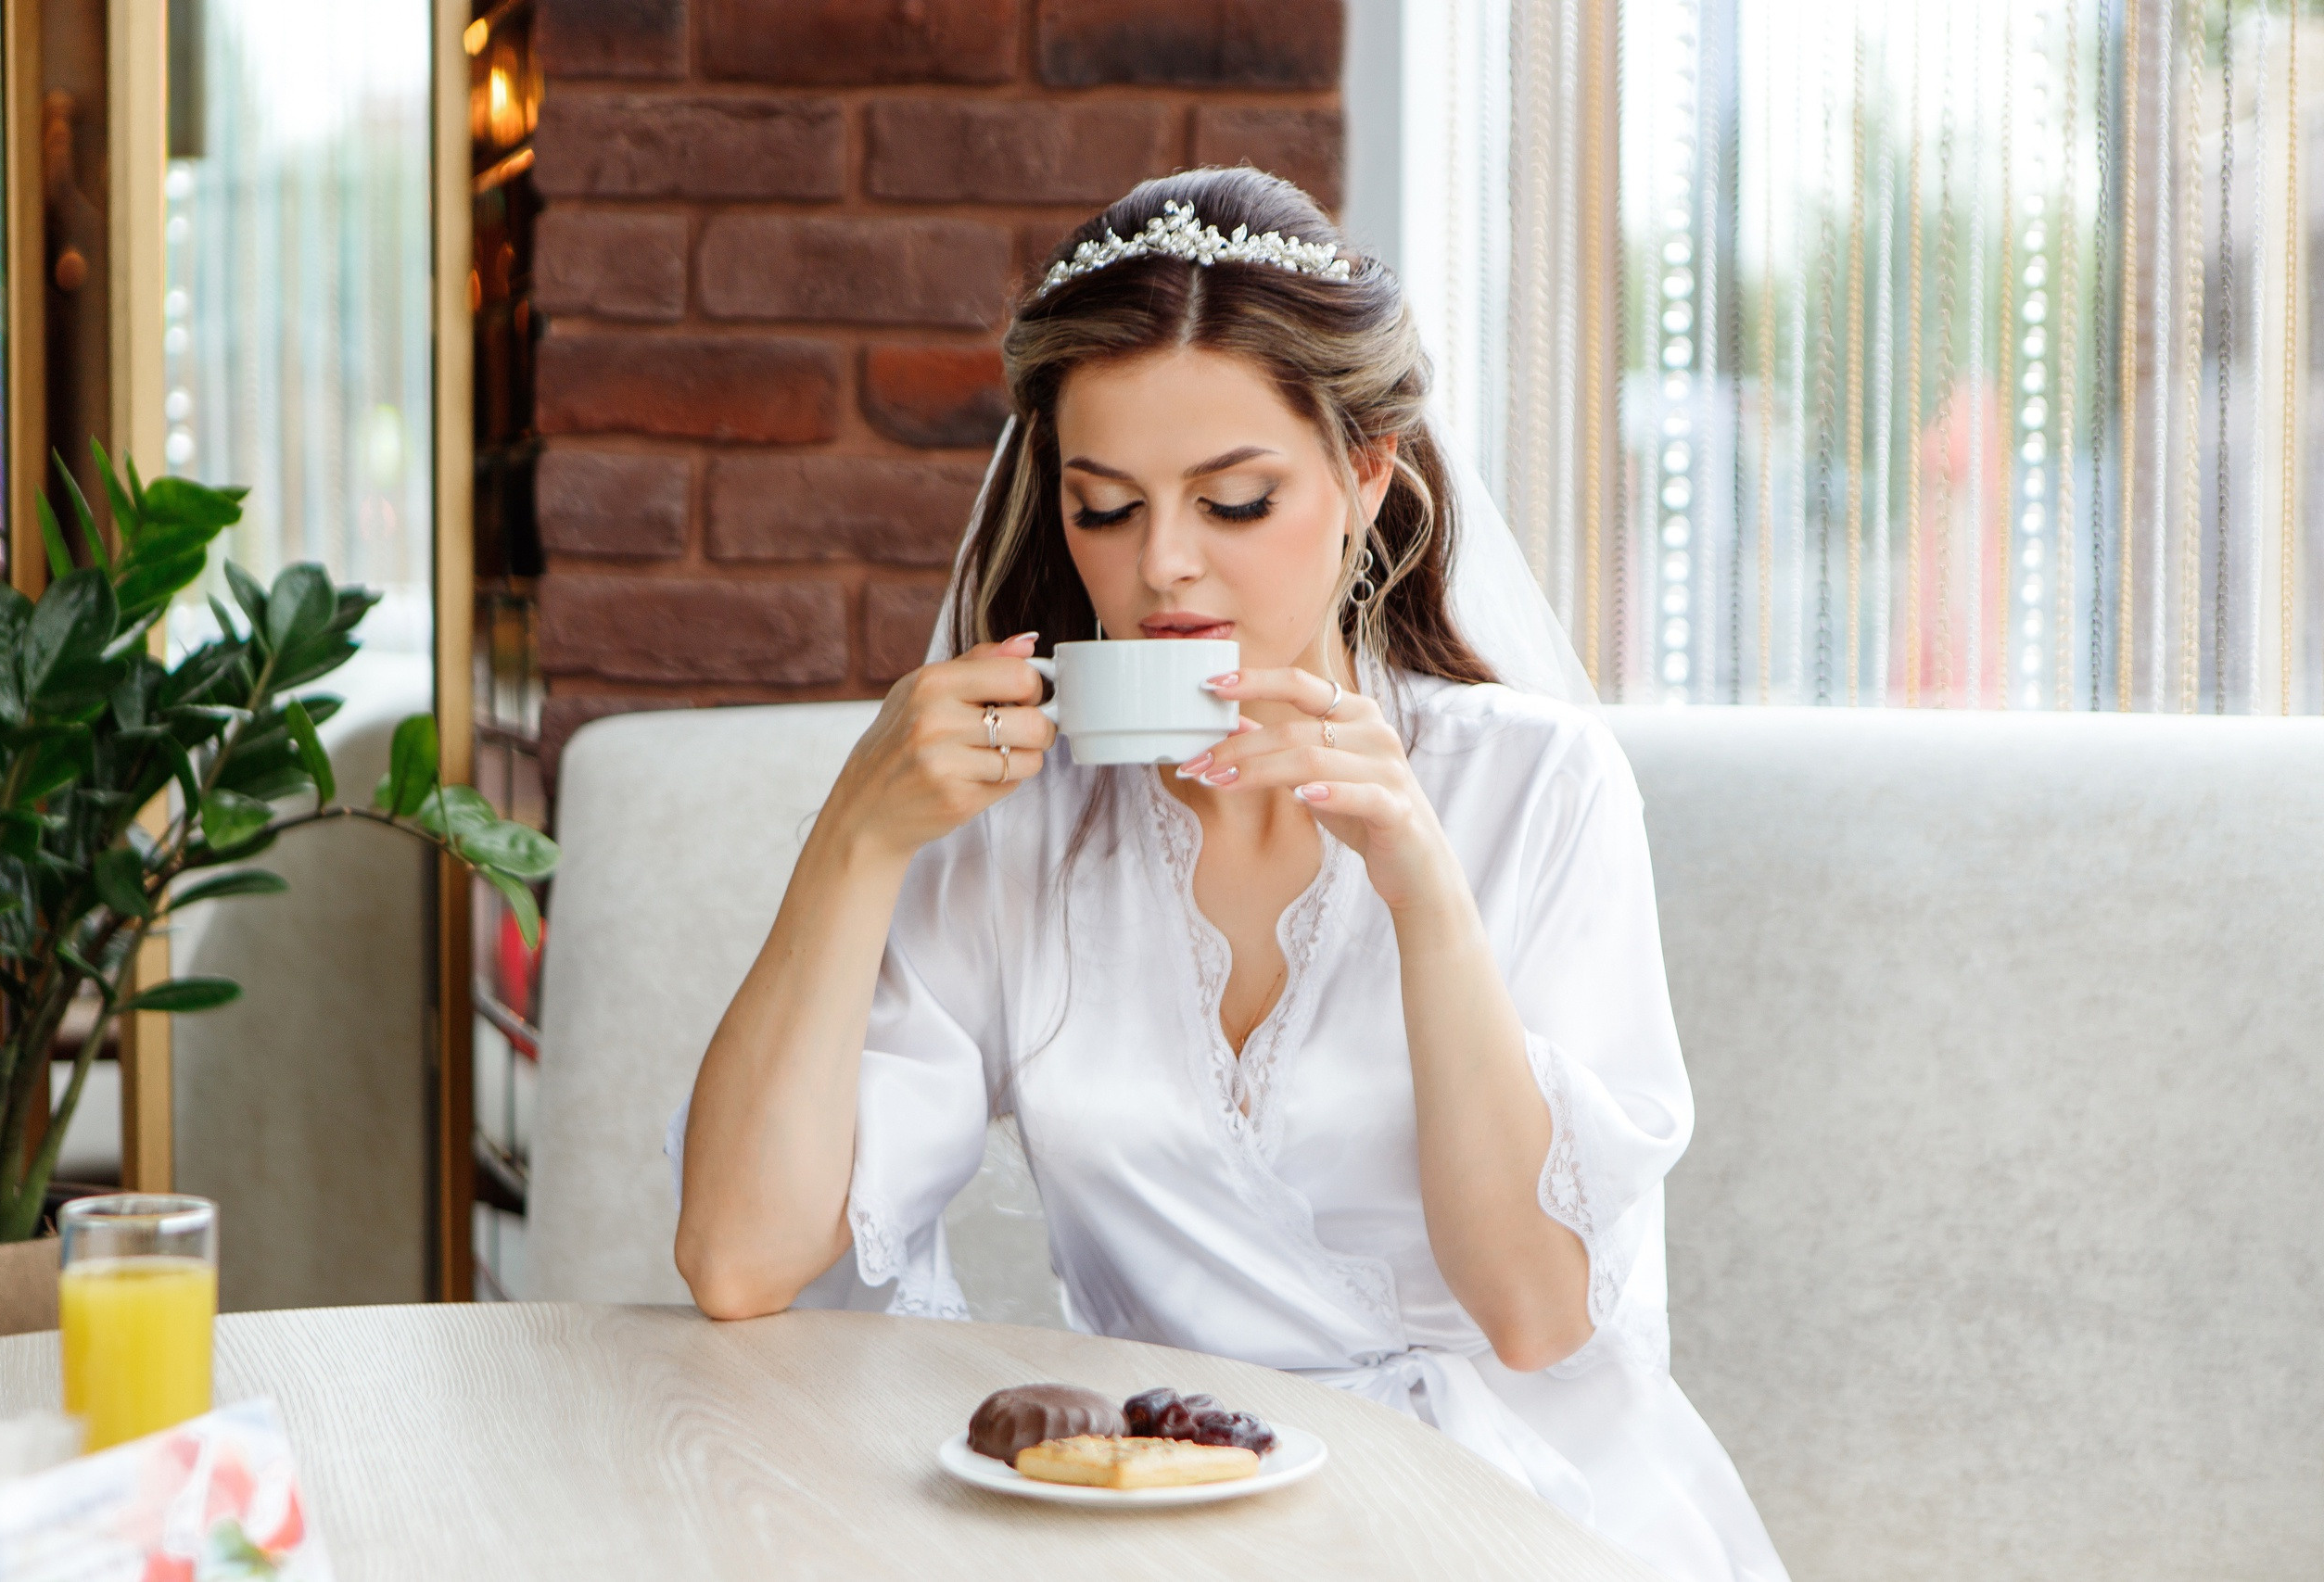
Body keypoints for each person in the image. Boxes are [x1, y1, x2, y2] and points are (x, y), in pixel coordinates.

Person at [669, 168, 1785, 1581]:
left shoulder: (1534, 787)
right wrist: (855, 840)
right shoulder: (1021, 825)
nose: (1163, 574)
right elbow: (736, 1260)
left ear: (1365, 473)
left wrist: (1421, 887)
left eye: (1237, 502)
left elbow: (1537, 1316)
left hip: (1509, 1518)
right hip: (1160, 1526)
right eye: (1106, 510)